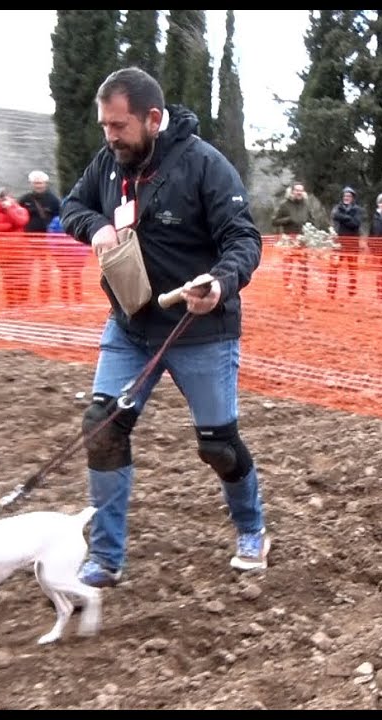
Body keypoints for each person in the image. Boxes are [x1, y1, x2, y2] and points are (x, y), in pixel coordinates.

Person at [58, 66, 268, 588]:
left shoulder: (205, 166)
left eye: (119, 126)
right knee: (102, 429)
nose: (109, 137)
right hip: (130, 326)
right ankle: (105, 558)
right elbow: (72, 207)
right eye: (104, 126)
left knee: (217, 444)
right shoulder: (108, 165)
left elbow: (243, 239)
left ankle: (251, 528)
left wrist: (220, 283)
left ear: (153, 118)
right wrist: (97, 226)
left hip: (201, 330)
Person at [19, 170, 63, 306]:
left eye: (40, 183)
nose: (38, 185)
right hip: (28, 240)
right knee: (25, 269)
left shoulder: (53, 200)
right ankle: (24, 297)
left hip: (46, 241)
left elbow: (60, 217)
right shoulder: (24, 199)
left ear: (45, 183)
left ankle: (44, 298)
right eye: (36, 183)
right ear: (31, 184)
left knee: (45, 270)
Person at [272, 182, 315, 298]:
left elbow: (312, 220)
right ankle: (287, 289)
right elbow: (274, 221)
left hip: (303, 241)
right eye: (296, 190)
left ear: (303, 192)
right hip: (289, 240)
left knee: (304, 267)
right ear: (291, 192)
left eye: (301, 190)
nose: (298, 192)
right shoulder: (284, 205)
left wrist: (311, 230)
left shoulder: (306, 205)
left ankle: (303, 291)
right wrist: (288, 219)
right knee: (288, 267)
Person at [327, 186, 363, 299]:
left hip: (352, 243)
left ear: (353, 198)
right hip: (338, 243)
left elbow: (356, 224)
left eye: (349, 196)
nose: (346, 198)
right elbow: (334, 217)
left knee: (352, 269)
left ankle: (352, 292)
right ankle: (331, 291)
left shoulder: (357, 209)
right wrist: (348, 218)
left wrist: (342, 218)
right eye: (345, 196)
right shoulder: (336, 208)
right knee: (334, 267)